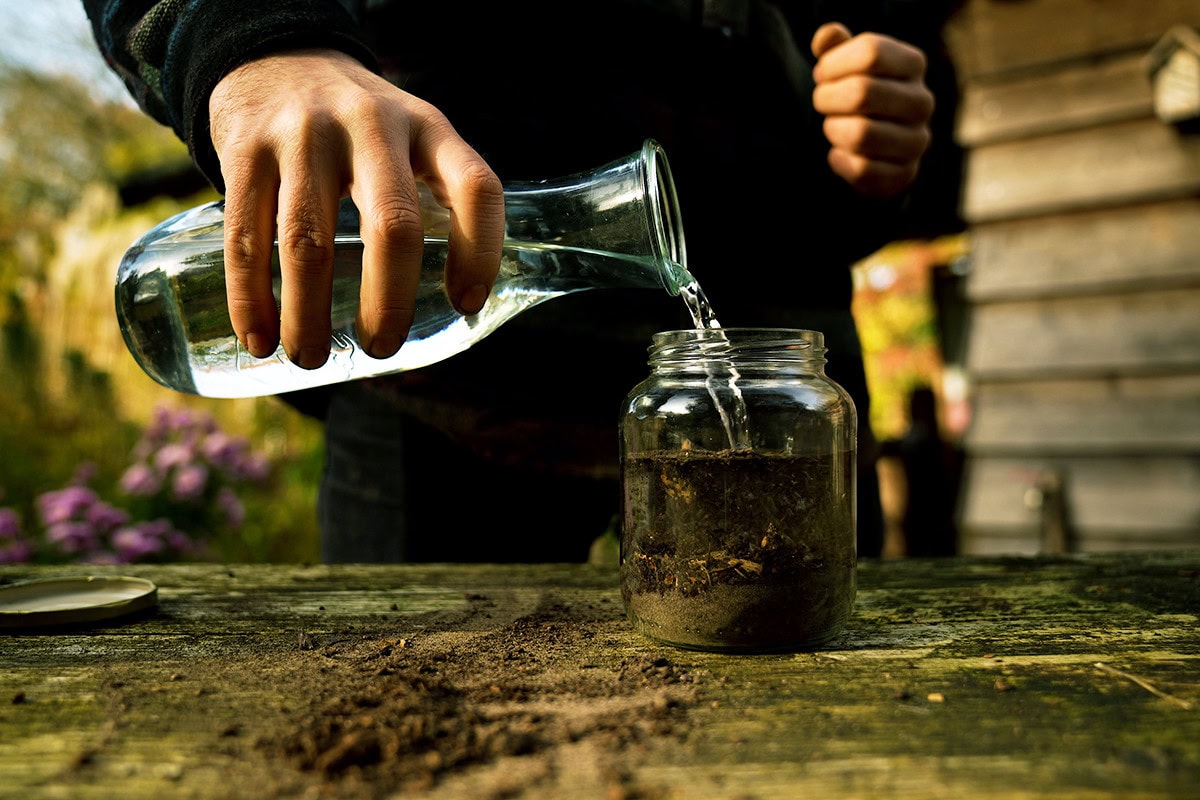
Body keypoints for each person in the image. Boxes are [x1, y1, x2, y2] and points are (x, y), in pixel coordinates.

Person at [82, 1, 964, 562]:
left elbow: (916, 45)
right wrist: (256, 44)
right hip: (449, 413)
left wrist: (893, 136)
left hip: (774, 405)